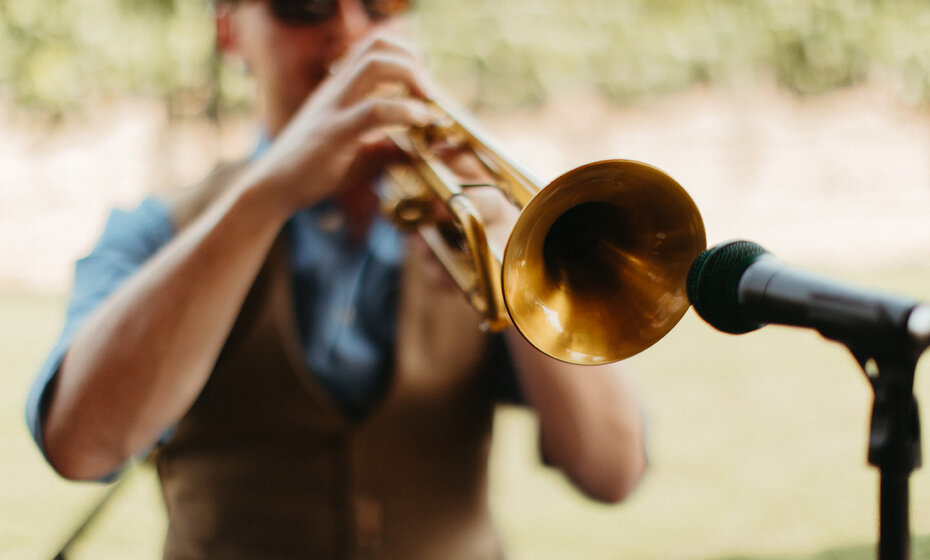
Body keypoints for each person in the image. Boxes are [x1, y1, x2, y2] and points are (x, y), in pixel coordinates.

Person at [26, 0, 648, 557]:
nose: (349, 30)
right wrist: (265, 197)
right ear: (229, 30)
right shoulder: (155, 232)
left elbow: (612, 469)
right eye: (303, 7)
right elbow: (81, 446)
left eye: (382, 6)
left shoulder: (483, 215)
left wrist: (522, 271)